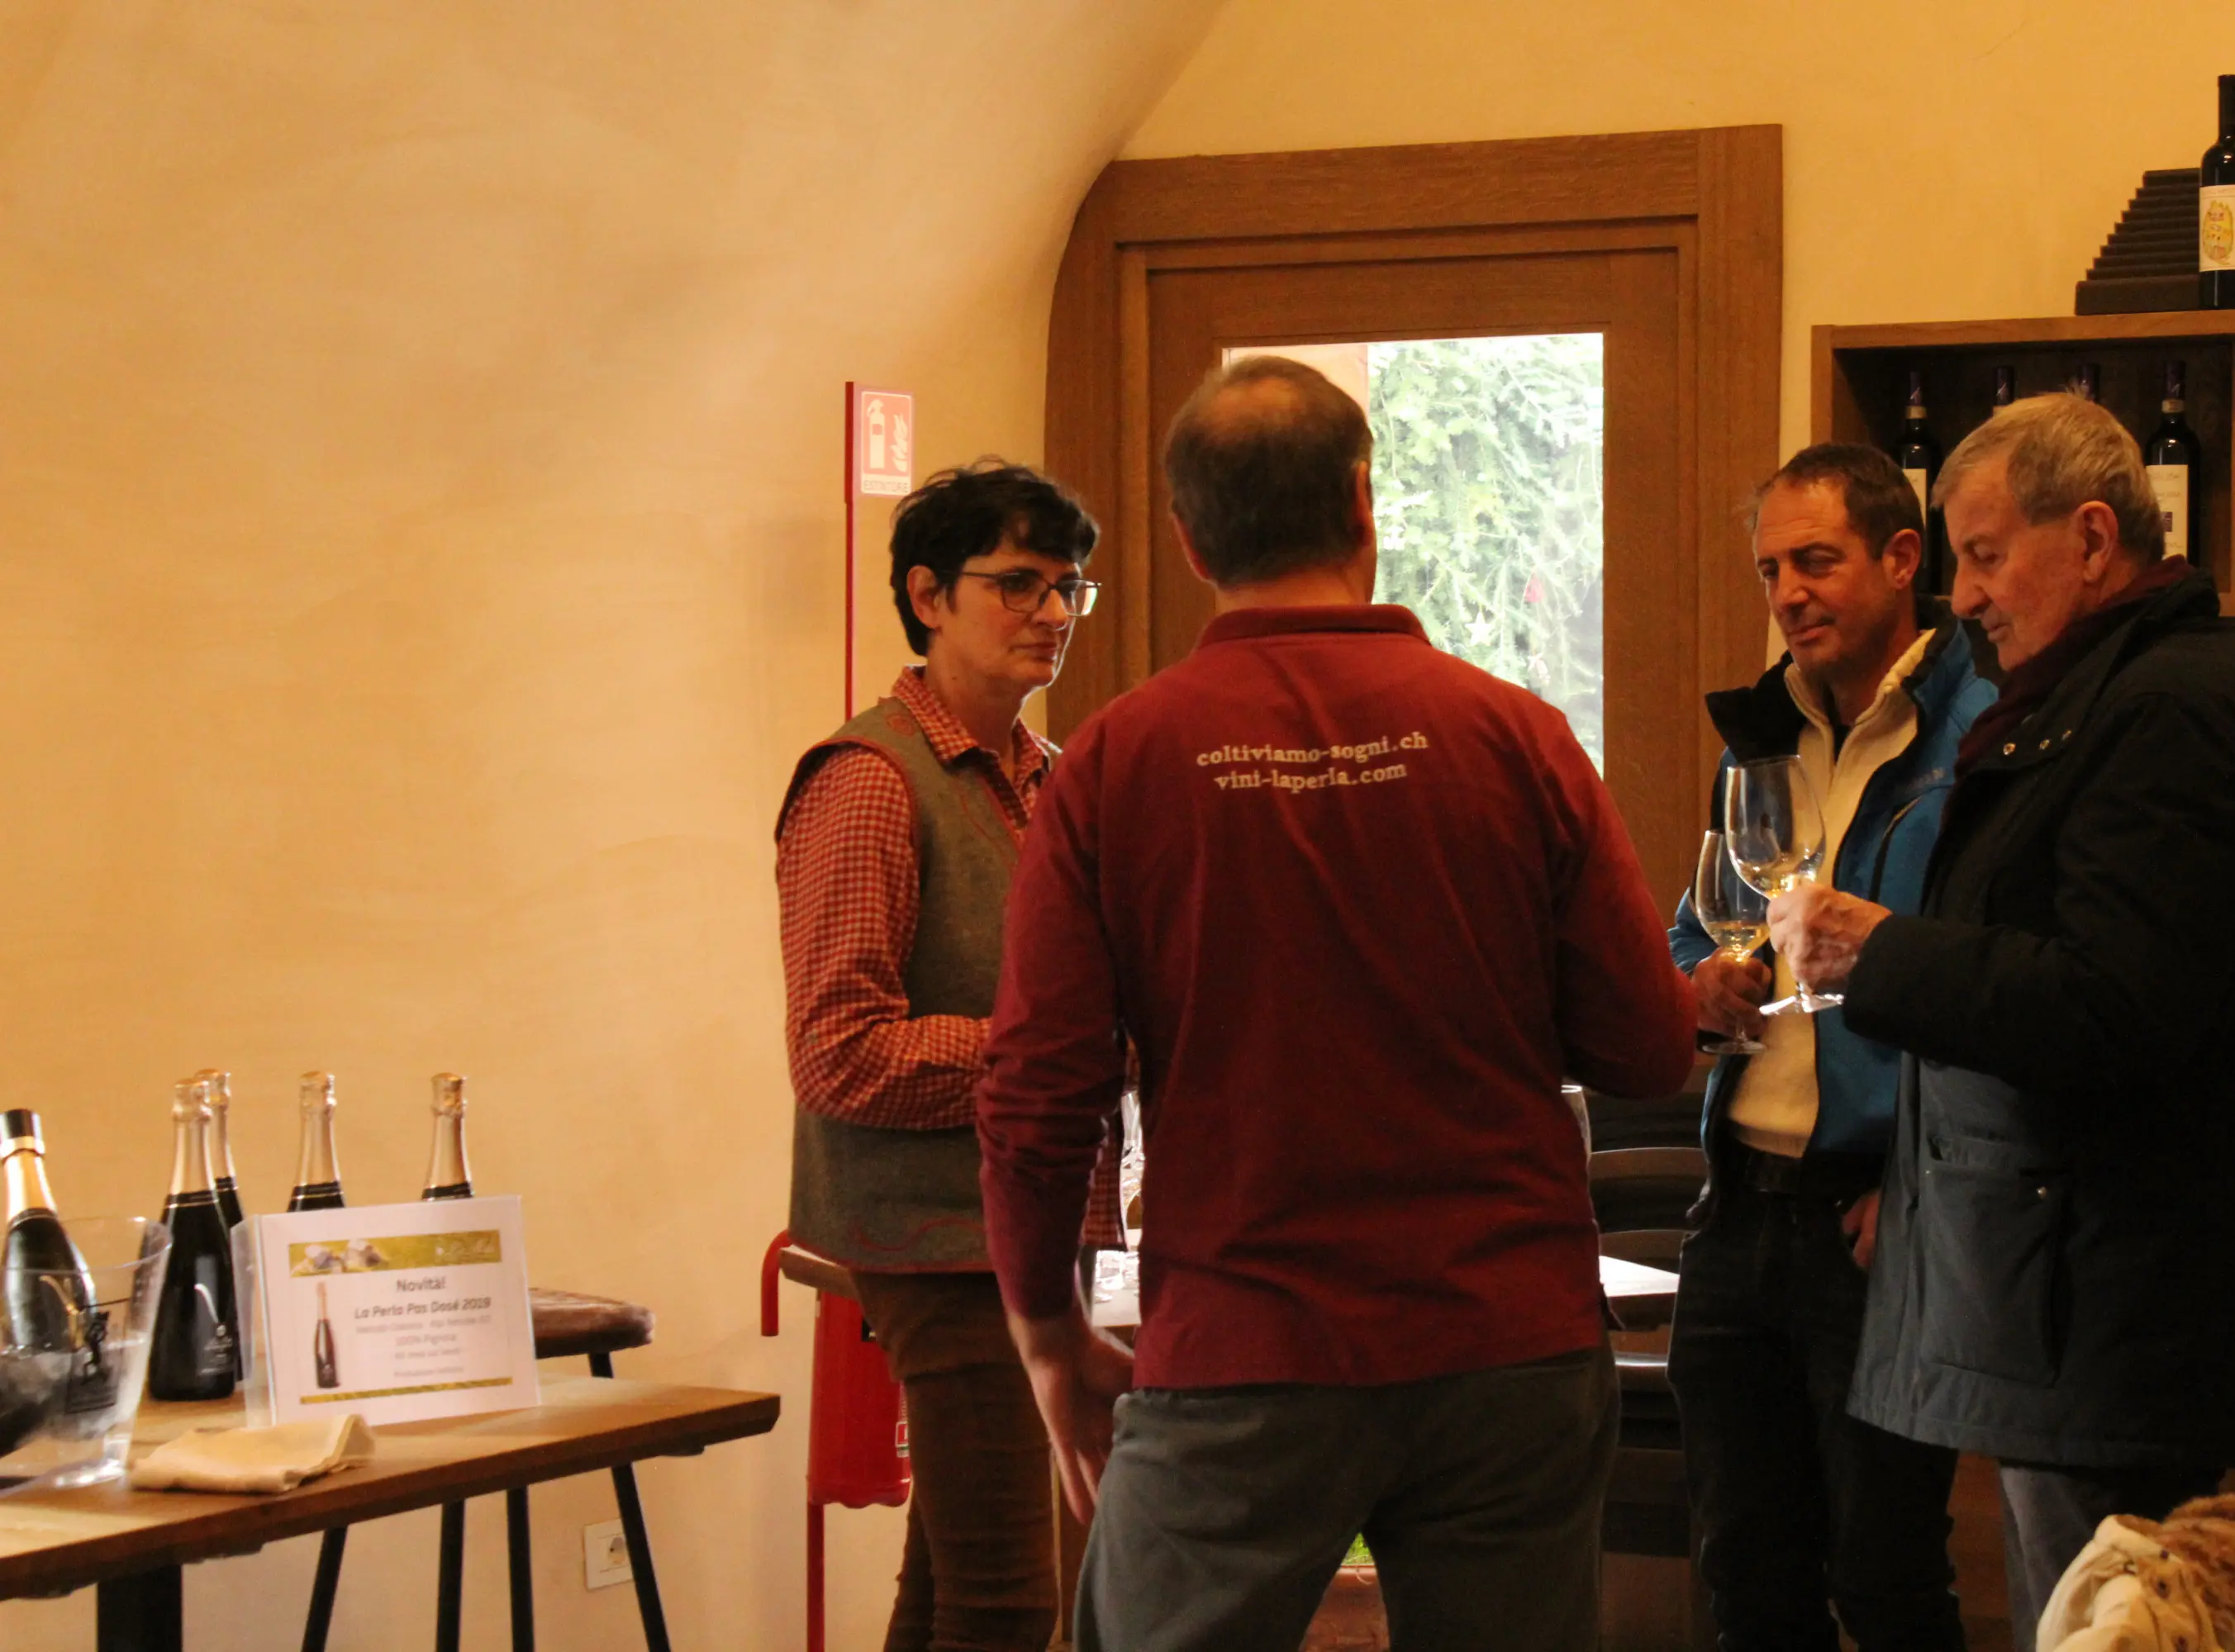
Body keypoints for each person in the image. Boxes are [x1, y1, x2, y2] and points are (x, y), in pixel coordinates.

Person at [973, 354, 1699, 1652]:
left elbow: (1039, 1093)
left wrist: (1048, 1332)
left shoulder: (1116, 766)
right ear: (1367, 502)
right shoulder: (1516, 737)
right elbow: (1647, 1044)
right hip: (1508, 1343)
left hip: (1244, 1347)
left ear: (1191, 541)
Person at [1769, 393, 2235, 1651]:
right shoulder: (2108, 695)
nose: (1963, 596)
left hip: (2115, 1312)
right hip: (2072, 1305)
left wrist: (1881, 953)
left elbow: (2115, 1007)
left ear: (2088, 537)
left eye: (1984, 553)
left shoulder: (2167, 711)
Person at [774, 459, 1120, 1652]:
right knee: (1011, 1598)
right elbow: (840, 1054)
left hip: (1028, 1229)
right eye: (1018, 583)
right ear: (927, 595)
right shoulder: (868, 782)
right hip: (935, 1238)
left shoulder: (1051, 778)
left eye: (1072, 586)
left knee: (948, 1588)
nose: (1054, 614)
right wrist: (1052, 1051)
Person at [1667, 444, 1992, 1652]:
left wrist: (1920, 1180)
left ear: (1904, 559)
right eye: (1770, 570)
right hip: (1741, 1203)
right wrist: (1695, 985)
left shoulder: (1987, 734)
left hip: (1878, 1217)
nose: (1789, 594)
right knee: (1744, 1576)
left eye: (1816, 561)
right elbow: (1698, 920)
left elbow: (2001, 986)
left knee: (1888, 1578)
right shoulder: (1760, 732)